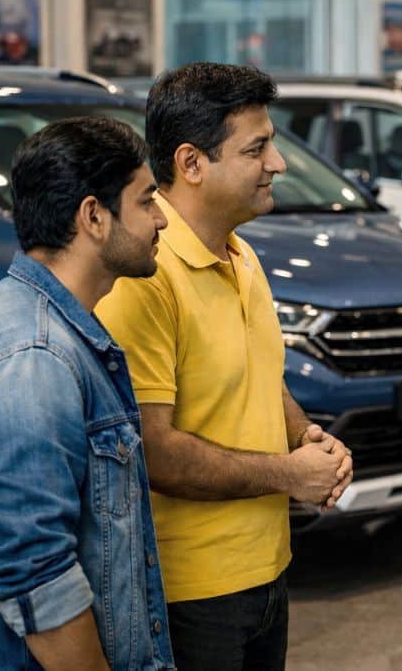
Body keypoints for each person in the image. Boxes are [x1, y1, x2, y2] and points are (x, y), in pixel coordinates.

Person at [95, 62, 353, 671]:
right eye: (257, 148)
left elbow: (260, 377)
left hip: (268, 570)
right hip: (192, 593)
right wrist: (290, 475)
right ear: (191, 164)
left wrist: (306, 438)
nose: (278, 163)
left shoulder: (242, 254)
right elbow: (153, 450)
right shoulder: (145, 278)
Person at [0, 117, 173, 670]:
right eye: (146, 200)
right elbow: (38, 576)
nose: (160, 219)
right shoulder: (31, 358)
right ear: (93, 216)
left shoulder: (56, 331)